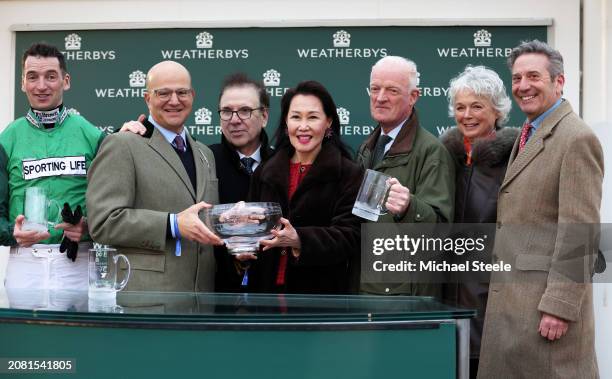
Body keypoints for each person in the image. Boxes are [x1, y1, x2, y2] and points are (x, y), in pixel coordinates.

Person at [478, 40, 603, 378]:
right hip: (515, 306)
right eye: (517, 78)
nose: (523, 86)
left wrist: (559, 307)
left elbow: (581, 232)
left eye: (534, 76)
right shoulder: (529, 133)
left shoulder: (575, 139)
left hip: (542, 313)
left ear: (558, 82)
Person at [87, 60, 222, 292]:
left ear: (193, 95)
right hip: (147, 301)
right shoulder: (122, 144)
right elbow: (103, 222)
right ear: (147, 98)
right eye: (163, 93)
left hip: (201, 304)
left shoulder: (205, 153)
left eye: (182, 92)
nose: (174, 100)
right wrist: (172, 224)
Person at [0, 42, 103, 291]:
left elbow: (114, 206)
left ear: (65, 81)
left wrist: (88, 227)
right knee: (25, 332)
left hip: (79, 261)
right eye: (33, 77)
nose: (42, 86)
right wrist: (11, 232)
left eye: (51, 76)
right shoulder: (8, 138)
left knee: (79, 332)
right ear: (22, 83)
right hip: (25, 263)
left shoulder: (91, 134)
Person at [245, 80, 363, 294]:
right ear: (285, 122)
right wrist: (244, 244)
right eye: (296, 117)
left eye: (313, 117)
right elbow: (255, 230)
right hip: (265, 298)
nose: (303, 126)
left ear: (328, 122)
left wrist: (299, 239)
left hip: (320, 300)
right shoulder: (265, 172)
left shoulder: (349, 174)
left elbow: (350, 236)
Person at [440, 65, 517, 378]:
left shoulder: (514, 161)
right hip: (444, 303)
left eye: (477, 106)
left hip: (491, 305)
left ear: (497, 110)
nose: (467, 115)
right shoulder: (443, 158)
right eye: (460, 107)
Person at [356, 56, 455, 296]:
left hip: (404, 298)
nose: (380, 98)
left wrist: (410, 206)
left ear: (413, 97)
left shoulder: (431, 151)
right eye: (375, 88)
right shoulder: (367, 148)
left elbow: (441, 230)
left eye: (392, 90)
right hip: (367, 290)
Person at [210, 73, 273, 292]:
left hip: (273, 294)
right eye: (227, 111)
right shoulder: (203, 160)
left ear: (264, 116)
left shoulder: (283, 163)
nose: (235, 119)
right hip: (213, 295)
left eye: (245, 111)